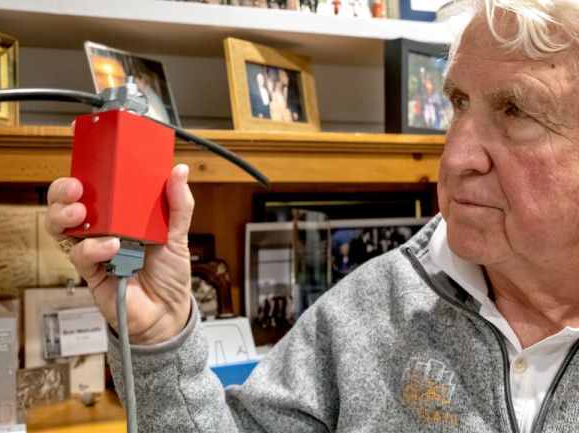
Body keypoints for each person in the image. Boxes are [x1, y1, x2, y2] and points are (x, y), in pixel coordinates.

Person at [45, 1, 579, 431]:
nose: (457, 157)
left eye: (516, 111)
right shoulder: (370, 310)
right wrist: (157, 337)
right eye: (458, 103)